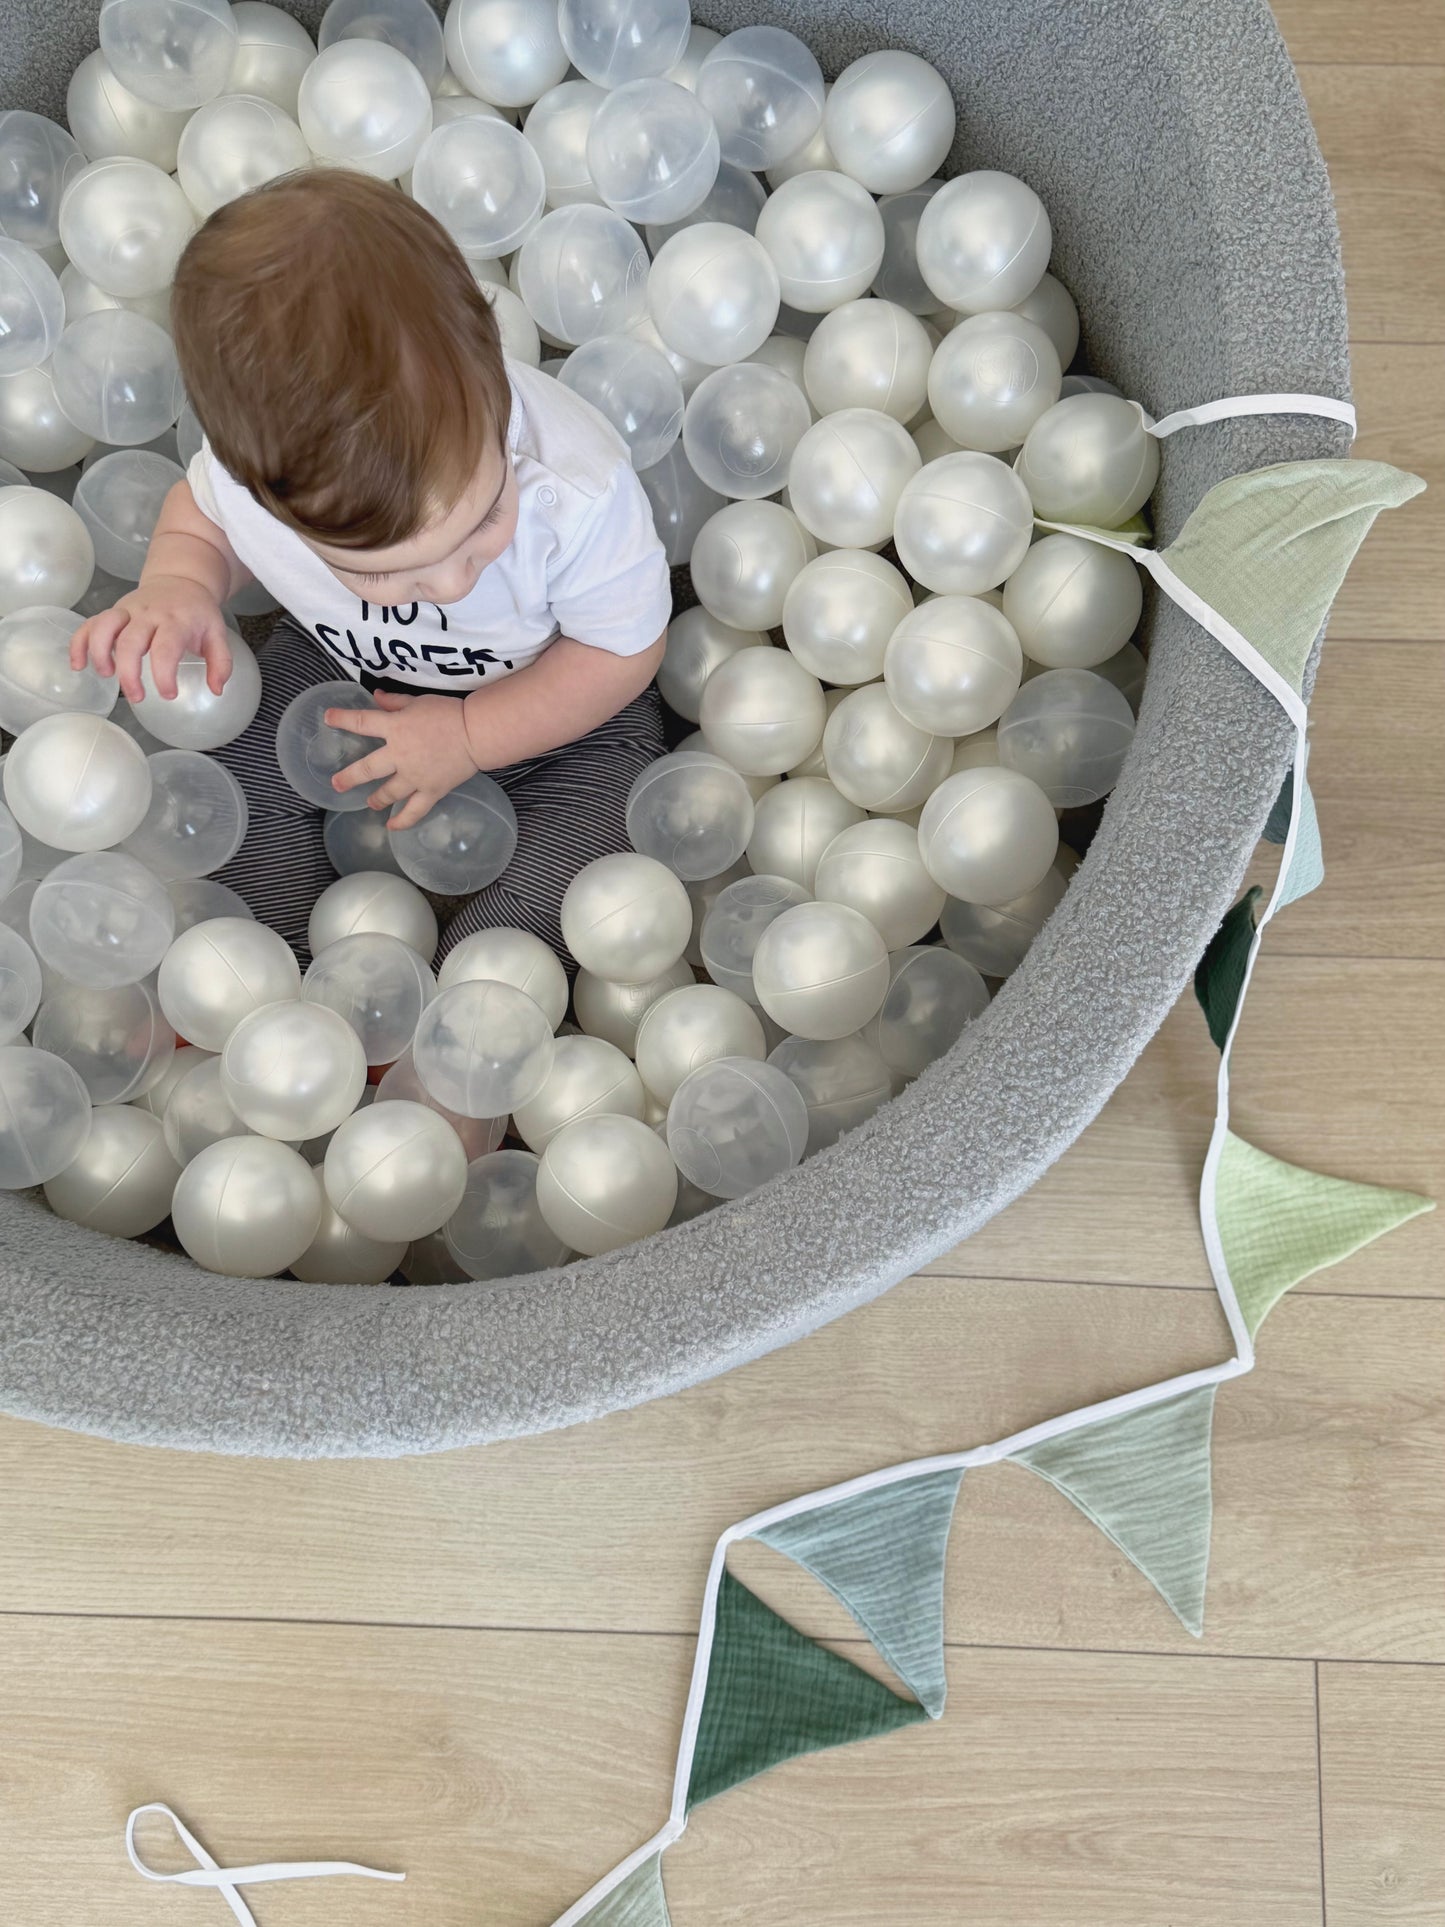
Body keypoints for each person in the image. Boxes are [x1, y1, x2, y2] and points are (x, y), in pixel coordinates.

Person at [68, 168, 672, 965]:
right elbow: (203, 516)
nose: (457, 583)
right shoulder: (258, 482)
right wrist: (181, 583)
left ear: (489, 364)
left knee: (599, 854)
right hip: (339, 672)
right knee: (229, 799)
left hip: (556, 705)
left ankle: (471, 1010)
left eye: (487, 517)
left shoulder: (577, 488)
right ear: (272, 501)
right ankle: (291, 989)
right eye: (388, 575)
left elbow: (622, 650)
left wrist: (468, 734)